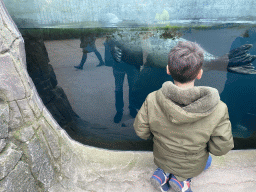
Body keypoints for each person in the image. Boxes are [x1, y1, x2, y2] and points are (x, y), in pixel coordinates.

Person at [133, 41, 234, 192]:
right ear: (200, 73)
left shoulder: (152, 99)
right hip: (192, 163)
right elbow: (221, 147)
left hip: (162, 157)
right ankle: (181, 181)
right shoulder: (219, 109)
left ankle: (163, 174)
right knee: (208, 161)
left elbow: (141, 131)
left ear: (168, 70)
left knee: (170, 158)